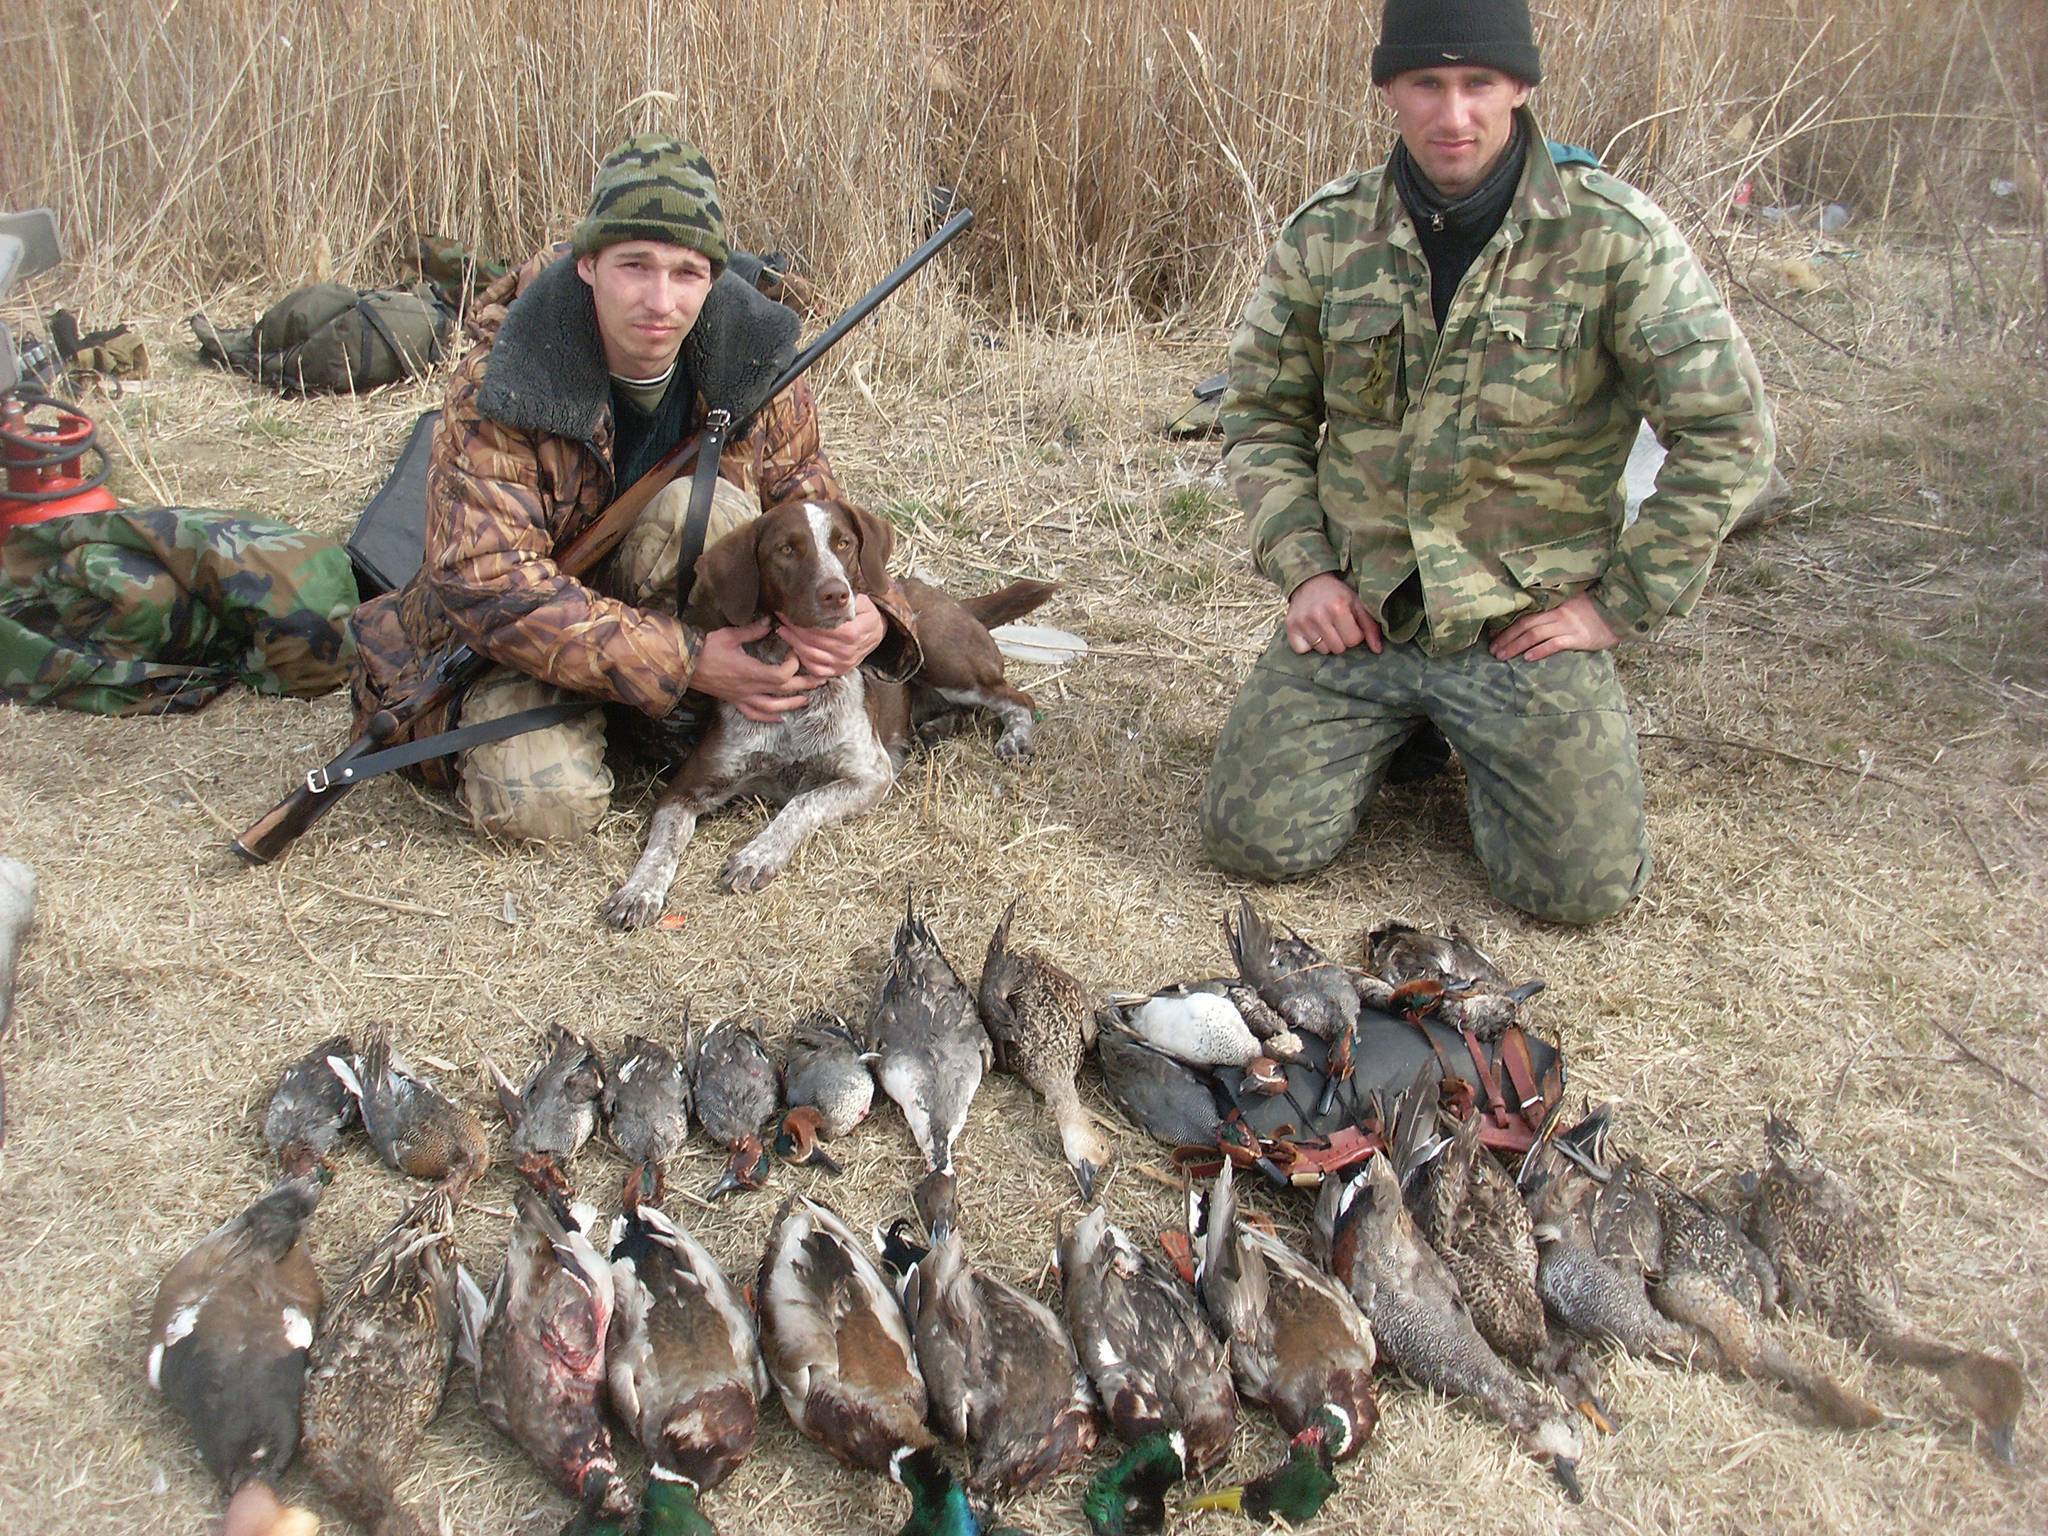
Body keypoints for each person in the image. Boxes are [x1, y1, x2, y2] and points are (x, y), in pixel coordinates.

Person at [1199, 0, 1773, 924]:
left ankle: (1466, 734)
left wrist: (1615, 606)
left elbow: (1730, 433)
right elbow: (1261, 412)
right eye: (1427, 82)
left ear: (1521, 86)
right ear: (1390, 88)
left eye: (1479, 84)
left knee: (1577, 895)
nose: (1452, 114)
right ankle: (1407, 733)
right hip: (1367, 610)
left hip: (1522, 622)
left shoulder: (1613, 236)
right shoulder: (1329, 233)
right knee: (1251, 843)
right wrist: (1305, 572)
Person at [348, 134, 918, 842]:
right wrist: (686, 661)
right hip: (537, 640)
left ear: (713, 277)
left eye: (686, 272)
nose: (660, 299)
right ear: (587, 263)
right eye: (634, 266)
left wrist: (874, 613)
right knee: (541, 805)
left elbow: (813, 504)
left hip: (680, 617)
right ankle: (646, 719)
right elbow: (488, 583)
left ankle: (668, 724)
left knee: (705, 515)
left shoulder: (758, 364)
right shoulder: (507, 379)